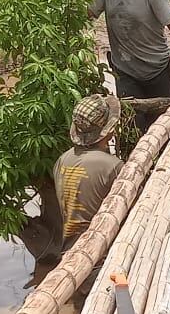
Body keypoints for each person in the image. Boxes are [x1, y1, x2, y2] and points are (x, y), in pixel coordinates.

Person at [90, 0, 170, 132]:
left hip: (157, 70)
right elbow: (89, 14)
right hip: (125, 71)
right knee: (132, 126)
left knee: (159, 127)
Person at [53, 94, 124, 255]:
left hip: (69, 250)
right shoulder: (114, 166)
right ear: (109, 130)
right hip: (101, 251)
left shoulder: (62, 160)